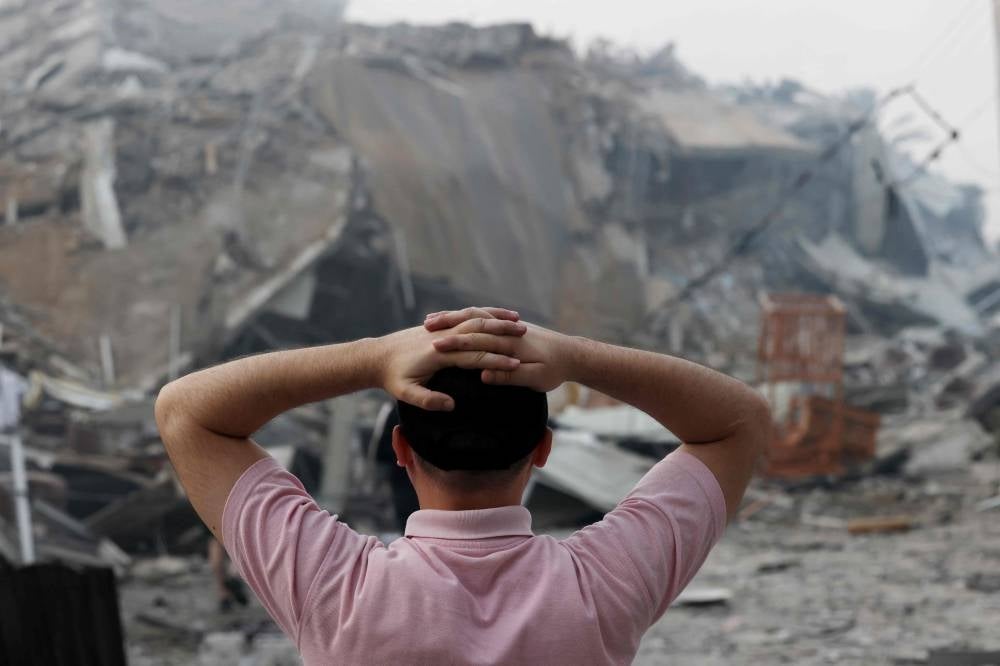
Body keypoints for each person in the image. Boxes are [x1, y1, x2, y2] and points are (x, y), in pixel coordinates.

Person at [155, 306, 770, 665]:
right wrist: (574, 357)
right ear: (543, 450)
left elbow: (186, 412)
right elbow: (738, 421)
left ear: (399, 449)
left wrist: (373, 357)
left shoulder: (336, 587)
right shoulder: (604, 583)